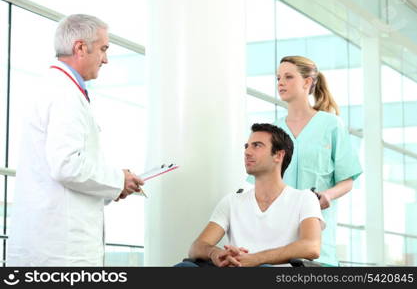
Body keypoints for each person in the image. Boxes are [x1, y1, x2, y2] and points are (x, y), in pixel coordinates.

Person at [7, 14, 144, 266]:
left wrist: (115, 187)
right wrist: (117, 179)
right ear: (81, 48)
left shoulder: (57, 89)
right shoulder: (64, 94)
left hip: (49, 244)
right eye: (103, 49)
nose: (106, 59)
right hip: (61, 252)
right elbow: (67, 166)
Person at [176, 123, 325, 267]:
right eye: (246, 146)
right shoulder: (232, 201)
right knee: (184, 268)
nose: (247, 152)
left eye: (257, 145)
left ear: (278, 155)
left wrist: (255, 259)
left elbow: (311, 246)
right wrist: (216, 253)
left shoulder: (304, 199)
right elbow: (197, 247)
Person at [276, 55, 362, 266]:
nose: (280, 82)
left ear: (307, 82)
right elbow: (259, 183)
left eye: (288, 77)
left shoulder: (331, 125)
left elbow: (348, 179)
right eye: (278, 77)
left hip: (319, 247)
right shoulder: (273, 130)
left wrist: (327, 195)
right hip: (277, 245)